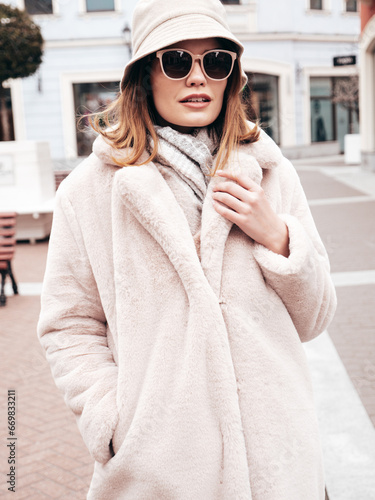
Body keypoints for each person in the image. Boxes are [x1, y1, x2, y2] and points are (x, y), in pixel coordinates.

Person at [37, 0, 337, 498]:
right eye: (176, 60)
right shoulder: (90, 191)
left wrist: (280, 238)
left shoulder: (271, 171)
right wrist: (112, 420)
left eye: (215, 62)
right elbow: (68, 324)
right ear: (144, 75)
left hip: (281, 465)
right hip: (161, 471)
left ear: (231, 77)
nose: (197, 77)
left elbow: (316, 318)